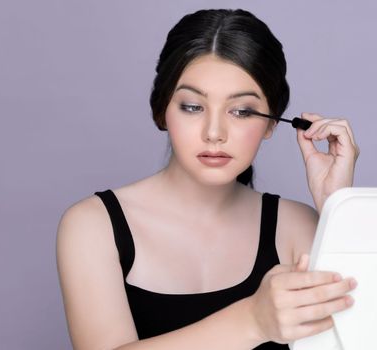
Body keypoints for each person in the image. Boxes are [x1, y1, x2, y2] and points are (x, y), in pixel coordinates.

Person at [56, 8, 359, 350]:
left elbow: (372, 340)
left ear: (273, 121)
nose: (215, 133)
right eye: (193, 107)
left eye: (242, 111)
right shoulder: (93, 225)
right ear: (162, 110)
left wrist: (339, 207)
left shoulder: (298, 225)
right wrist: (252, 321)